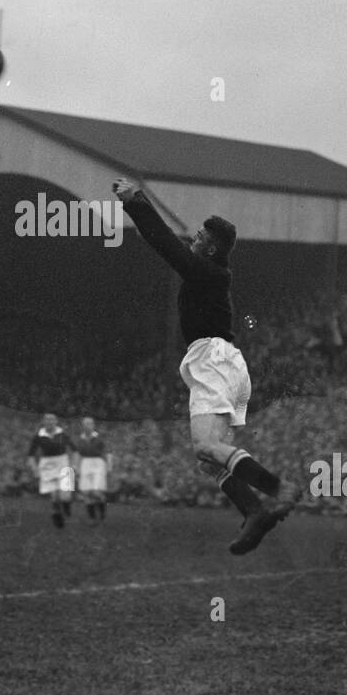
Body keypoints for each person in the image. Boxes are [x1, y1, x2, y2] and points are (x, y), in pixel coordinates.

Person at [113, 178, 293, 554]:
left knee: (207, 447)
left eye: (197, 236)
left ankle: (279, 490)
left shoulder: (209, 272)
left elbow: (165, 245)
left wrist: (137, 203)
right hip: (218, 362)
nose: (191, 240)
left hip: (215, 360)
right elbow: (174, 248)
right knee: (208, 460)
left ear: (210, 247)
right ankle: (255, 511)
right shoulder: (208, 270)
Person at [28, 413, 74, 527]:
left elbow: (75, 450)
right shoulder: (38, 436)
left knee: (65, 496)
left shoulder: (63, 434)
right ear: (43, 421)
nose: (49, 421)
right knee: (54, 495)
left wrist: (75, 465)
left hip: (63, 462)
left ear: (56, 421)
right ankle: (58, 517)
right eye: (47, 419)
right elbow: (30, 455)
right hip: (47, 464)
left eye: (52, 419)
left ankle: (66, 506)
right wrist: (34, 468)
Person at [76, 416, 111, 522]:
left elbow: (108, 453)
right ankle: (92, 518)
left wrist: (109, 466)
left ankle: (102, 514)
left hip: (98, 463)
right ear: (83, 426)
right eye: (86, 423)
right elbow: (78, 454)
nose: (88, 426)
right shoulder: (80, 439)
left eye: (90, 423)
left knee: (96, 492)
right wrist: (77, 467)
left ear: (93, 425)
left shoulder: (100, 438)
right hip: (85, 463)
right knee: (87, 492)